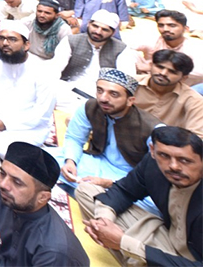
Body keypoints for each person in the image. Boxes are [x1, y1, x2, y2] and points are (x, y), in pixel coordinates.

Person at [76, 126, 202, 267]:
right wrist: (104, 222)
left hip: (190, 260)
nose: (174, 166)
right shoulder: (153, 165)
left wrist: (125, 244)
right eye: (164, 156)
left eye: (184, 160)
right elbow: (124, 191)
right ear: (153, 151)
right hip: (163, 238)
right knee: (86, 191)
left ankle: (134, 257)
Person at [58, 70, 161, 198]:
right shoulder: (90, 106)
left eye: (114, 94)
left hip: (127, 175)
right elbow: (75, 138)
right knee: (47, 158)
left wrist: (109, 183)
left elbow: (155, 174)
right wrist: (70, 161)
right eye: (100, 90)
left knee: (147, 201)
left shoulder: (153, 128)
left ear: (130, 101)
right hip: (95, 161)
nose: (103, 98)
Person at [0, 21, 56, 158]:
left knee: (14, 150)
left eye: (12, 39)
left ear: (26, 45)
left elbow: (42, 112)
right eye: (2, 38)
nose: (5, 43)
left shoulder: (43, 70)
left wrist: (7, 124)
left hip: (26, 125)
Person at [55, 10, 137, 111]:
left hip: (101, 98)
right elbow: (54, 71)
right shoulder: (70, 41)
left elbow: (127, 82)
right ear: (89, 24)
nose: (98, 32)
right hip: (67, 89)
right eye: (95, 26)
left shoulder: (122, 49)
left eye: (105, 29)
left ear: (113, 33)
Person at [135, 50, 203, 137]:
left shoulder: (194, 100)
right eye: (160, 67)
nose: (163, 73)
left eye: (172, 72)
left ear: (183, 78)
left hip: (165, 145)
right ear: (151, 66)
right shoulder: (129, 83)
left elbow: (197, 137)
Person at [136, 10, 203, 87]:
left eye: (172, 25)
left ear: (186, 29)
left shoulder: (195, 46)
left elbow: (200, 73)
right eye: (161, 25)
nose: (165, 29)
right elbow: (127, 49)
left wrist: (153, 68)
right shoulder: (151, 40)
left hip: (183, 87)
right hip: (149, 81)